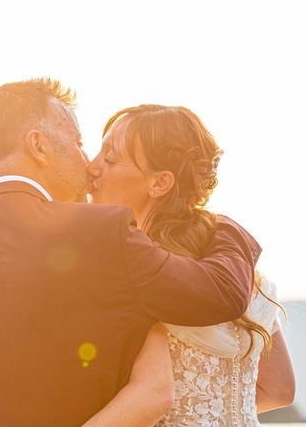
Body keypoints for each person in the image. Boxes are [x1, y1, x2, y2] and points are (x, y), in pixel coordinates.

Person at [0, 79, 262, 426]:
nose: (87, 161)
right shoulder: (103, 234)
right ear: (38, 146)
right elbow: (218, 294)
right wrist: (223, 226)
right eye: (77, 142)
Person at [84, 104, 295, 426]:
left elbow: (151, 397)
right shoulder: (246, 274)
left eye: (110, 159)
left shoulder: (141, 274)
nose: (92, 167)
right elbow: (280, 389)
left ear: (160, 183)